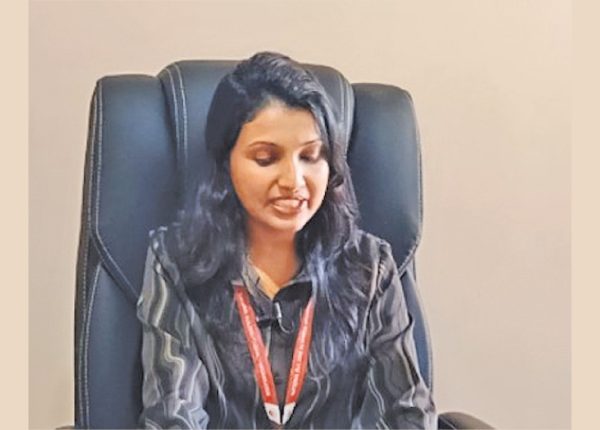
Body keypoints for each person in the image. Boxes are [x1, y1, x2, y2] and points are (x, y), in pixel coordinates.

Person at [136, 51, 436, 429]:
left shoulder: (370, 266)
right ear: (226, 163)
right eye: (266, 158)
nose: (294, 181)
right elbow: (173, 415)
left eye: (311, 156)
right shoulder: (178, 262)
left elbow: (407, 413)